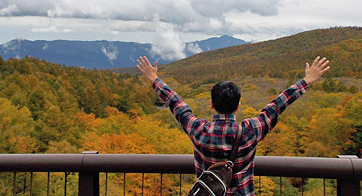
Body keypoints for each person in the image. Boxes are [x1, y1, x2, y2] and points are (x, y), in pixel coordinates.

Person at [136, 56, 330, 196]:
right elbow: (277, 105)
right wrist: (307, 81)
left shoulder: (199, 131)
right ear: (238, 105)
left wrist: (153, 79)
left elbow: (177, 105)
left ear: (212, 104)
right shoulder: (250, 131)